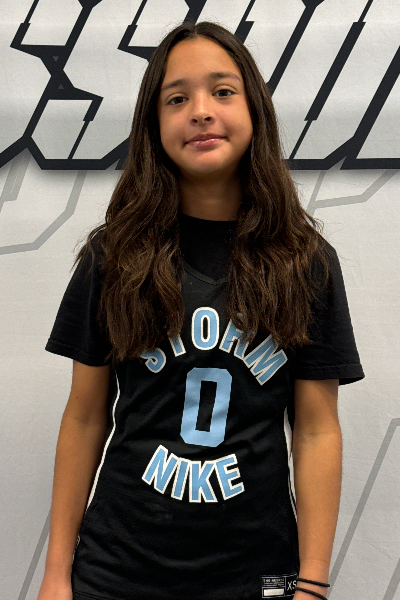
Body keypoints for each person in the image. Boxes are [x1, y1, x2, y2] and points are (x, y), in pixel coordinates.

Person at [37, 19, 364, 600]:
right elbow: (85, 417)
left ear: (255, 110)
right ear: (153, 126)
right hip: (116, 573)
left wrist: (312, 584)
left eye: (222, 91)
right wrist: (56, 575)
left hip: (258, 575)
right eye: (176, 99)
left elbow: (316, 431)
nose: (201, 111)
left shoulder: (306, 261)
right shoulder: (113, 256)